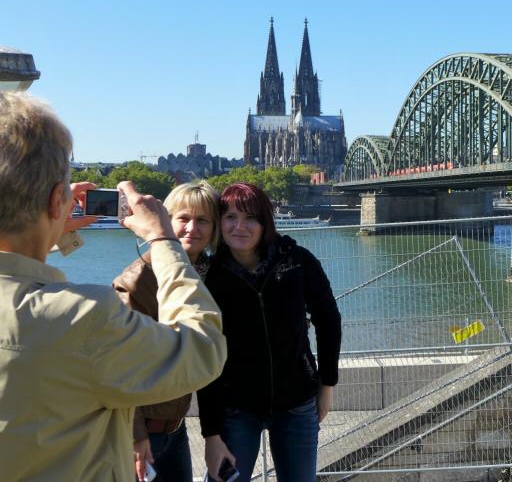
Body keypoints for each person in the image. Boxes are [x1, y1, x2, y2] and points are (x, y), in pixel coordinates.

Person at [0, 91, 227, 480]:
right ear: (57, 201)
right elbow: (203, 349)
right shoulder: (84, 319)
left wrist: (49, 230)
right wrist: (163, 241)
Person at [198, 183, 342, 482]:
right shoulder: (210, 276)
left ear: (265, 223)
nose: (239, 226)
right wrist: (211, 433)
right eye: (230, 217)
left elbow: (328, 319)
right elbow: (205, 356)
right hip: (235, 407)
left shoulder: (297, 261)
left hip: (297, 402)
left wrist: (327, 384)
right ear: (219, 222)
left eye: (250, 218)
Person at [114, 181, 221, 482]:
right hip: (144, 435)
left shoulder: (208, 273)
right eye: (183, 218)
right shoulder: (138, 279)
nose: (192, 228)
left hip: (176, 427)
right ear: (164, 221)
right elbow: (119, 363)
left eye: (202, 220)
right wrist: (135, 435)